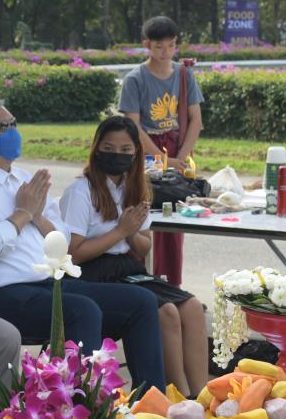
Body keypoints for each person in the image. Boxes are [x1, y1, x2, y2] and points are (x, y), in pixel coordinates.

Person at [0, 98, 167, 391]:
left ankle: (150, 402)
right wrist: (22, 214)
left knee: (141, 301)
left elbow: (63, 239)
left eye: (14, 123)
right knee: (83, 310)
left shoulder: (23, 179)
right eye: (2, 126)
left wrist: (37, 216)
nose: (13, 131)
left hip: (48, 284)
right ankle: (80, 407)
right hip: (1, 294)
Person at [59, 116, 209, 396]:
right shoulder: (81, 191)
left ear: (136, 153)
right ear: (96, 149)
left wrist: (129, 234)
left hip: (126, 266)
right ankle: (178, 397)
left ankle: (202, 396)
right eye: (109, 148)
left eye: (125, 150)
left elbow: (143, 247)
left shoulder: (135, 187)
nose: (117, 155)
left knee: (191, 307)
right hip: (91, 272)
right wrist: (120, 231)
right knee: (166, 312)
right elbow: (73, 255)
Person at [119, 16, 204, 287]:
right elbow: (133, 126)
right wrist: (162, 159)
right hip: (146, 152)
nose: (165, 52)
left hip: (178, 150)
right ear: (147, 45)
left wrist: (182, 157)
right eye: (158, 46)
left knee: (172, 223)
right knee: (141, 218)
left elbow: (195, 120)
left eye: (170, 46)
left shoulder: (184, 75)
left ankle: (170, 286)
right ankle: (138, 283)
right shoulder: (135, 79)